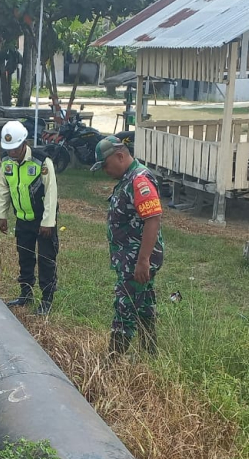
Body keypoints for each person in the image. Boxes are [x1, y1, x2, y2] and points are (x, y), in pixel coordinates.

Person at [91, 136, 164, 356]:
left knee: (125, 307)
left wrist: (143, 260)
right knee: (144, 305)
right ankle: (150, 353)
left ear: (120, 156)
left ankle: (113, 363)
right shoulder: (128, 179)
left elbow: (153, 219)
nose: (105, 171)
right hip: (130, 258)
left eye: (106, 165)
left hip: (136, 260)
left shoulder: (139, 181)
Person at [0, 121, 59, 315]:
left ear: (24, 143)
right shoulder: (6, 161)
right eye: (9, 148)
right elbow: (3, 188)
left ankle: (46, 299)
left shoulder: (41, 161)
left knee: (46, 259)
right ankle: (26, 293)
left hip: (42, 220)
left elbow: (51, 193)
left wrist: (48, 222)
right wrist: (2, 215)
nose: (12, 152)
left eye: (15, 148)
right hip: (22, 218)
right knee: (24, 256)